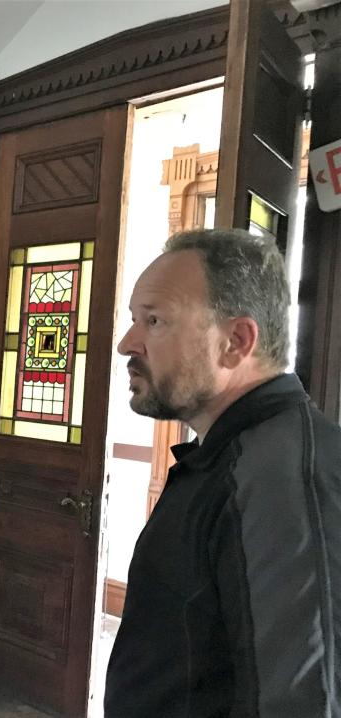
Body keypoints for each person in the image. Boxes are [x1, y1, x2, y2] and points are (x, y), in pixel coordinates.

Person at [105, 228, 341, 717]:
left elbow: (299, 703)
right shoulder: (230, 454)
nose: (128, 343)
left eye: (154, 320)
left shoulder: (280, 481)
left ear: (235, 342)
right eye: (134, 320)